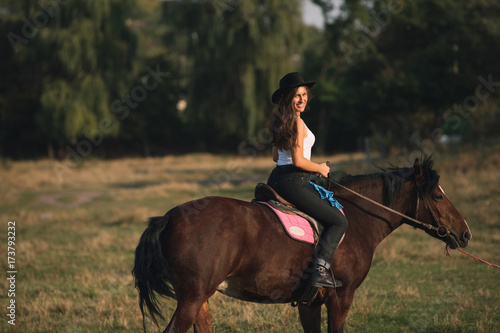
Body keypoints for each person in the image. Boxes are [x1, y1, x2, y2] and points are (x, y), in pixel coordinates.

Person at [267, 72, 348, 288]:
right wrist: (320, 168)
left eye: (304, 95)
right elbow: (299, 161)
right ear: (287, 98)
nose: (302, 100)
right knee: (339, 221)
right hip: (293, 181)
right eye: (296, 96)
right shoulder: (297, 123)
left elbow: (276, 157)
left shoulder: (279, 121)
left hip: (276, 178)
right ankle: (319, 270)